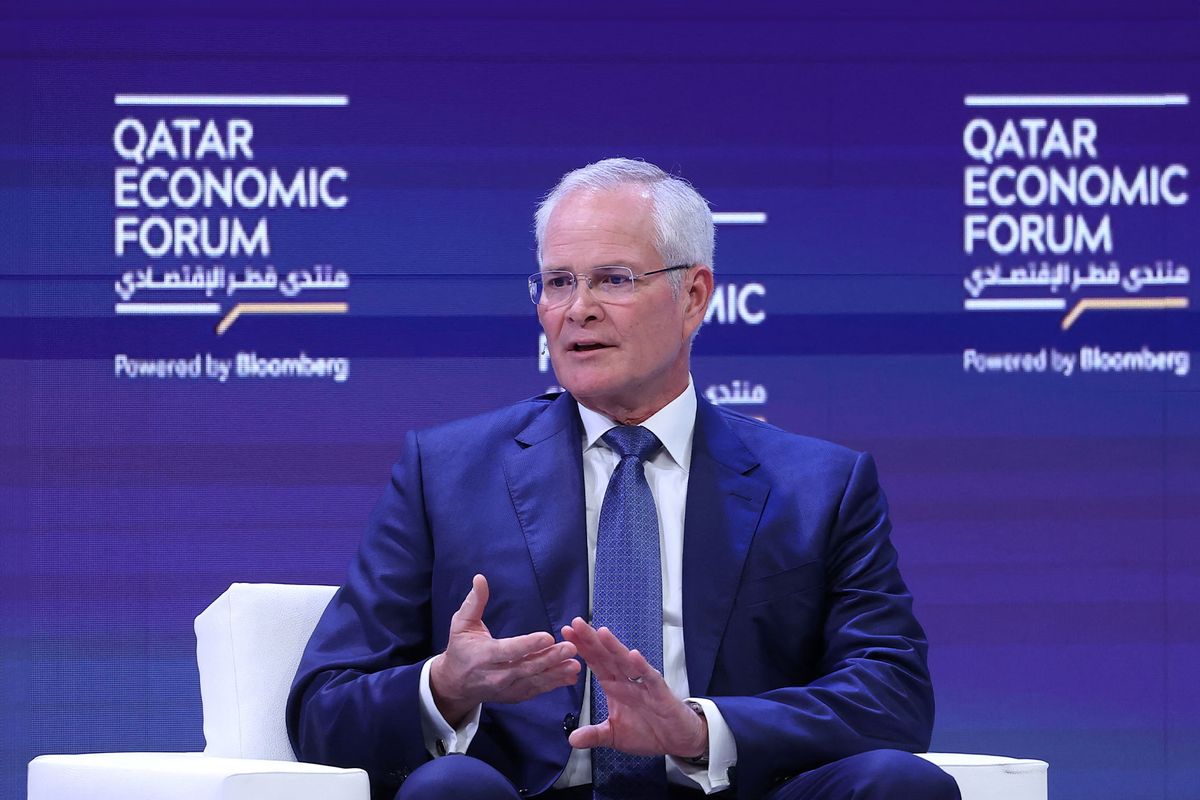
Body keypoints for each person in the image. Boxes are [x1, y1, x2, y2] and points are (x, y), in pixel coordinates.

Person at [287, 158, 960, 800]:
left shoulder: (821, 487)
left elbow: (893, 691)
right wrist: (446, 686)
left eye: (612, 279)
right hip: (523, 791)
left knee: (903, 786)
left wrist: (701, 730)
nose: (577, 309)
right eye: (557, 282)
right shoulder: (445, 473)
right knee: (448, 789)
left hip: (729, 785)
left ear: (693, 296)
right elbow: (324, 705)